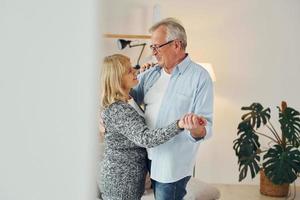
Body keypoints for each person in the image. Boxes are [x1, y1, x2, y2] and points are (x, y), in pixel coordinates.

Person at [98, 54, 207, 200]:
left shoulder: (127, 101)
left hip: (127, 177)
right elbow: (145, 138)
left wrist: (144, 74)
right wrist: (179, 124)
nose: (135, 72)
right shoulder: (119, 109)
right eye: (129, 71)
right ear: (117, 79)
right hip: (121, 179)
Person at [130, 18, 214, 200]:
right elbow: (128, 103)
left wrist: (194, 128)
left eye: (156, 47)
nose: (153, 53)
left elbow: (206, 128)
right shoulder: (150, 74)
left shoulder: (200, 78)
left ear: (176, 45)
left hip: (172, 165)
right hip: (143, 158)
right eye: (151, 47)